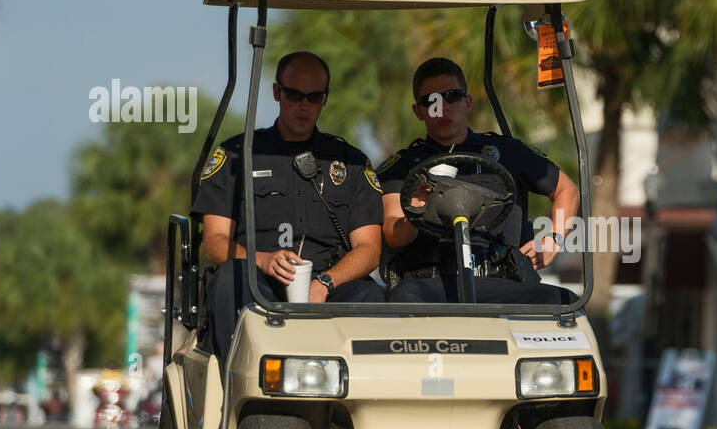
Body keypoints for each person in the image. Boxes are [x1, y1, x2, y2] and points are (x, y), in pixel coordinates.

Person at [192, 51, 385, 373]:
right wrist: (263, 260)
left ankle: (356, 397)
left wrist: (325, 282)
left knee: (369, 294)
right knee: (229, 280)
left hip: (326, 283)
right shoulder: (238, 155)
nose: (303, 105)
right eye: (294, 95)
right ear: (277, 92)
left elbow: (370, 250)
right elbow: (214, 242)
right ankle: (237, 388)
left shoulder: (350, 162)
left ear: (325, 99)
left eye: (314, 97)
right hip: (258, 281)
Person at [377, 57, 579, 305]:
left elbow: (566, 190)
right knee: (405, 297)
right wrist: (415, 213)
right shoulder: (402, 166)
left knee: (564, 302)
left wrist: (554, 239)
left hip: (503, 281)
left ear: (467, 102)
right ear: (418, 111)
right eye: (432, 101)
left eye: (452, 96)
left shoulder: (507, 152)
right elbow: (392, 233)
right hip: (432, 287)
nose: (444, 107)